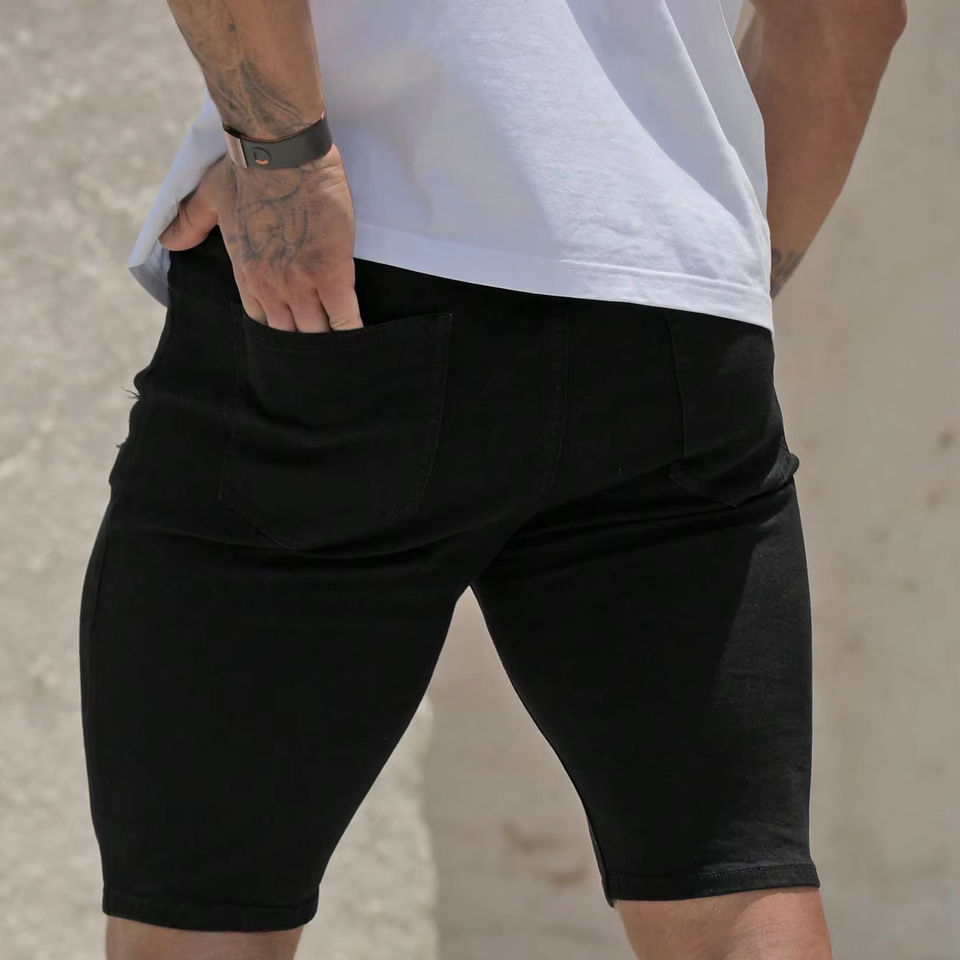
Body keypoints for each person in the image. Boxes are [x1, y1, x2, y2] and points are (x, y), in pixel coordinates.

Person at [79, 1, 907, 958]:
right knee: (735, 898)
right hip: (672, 318)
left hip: (361, 277)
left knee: (201, 918)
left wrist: (281, 160)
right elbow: (850, 18)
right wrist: (712, 278)